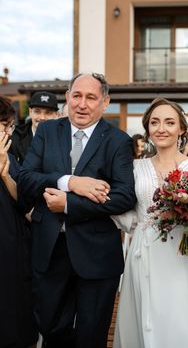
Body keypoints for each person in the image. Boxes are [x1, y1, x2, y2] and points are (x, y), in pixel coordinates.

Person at [17, 73, 136, 348]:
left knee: (91, 335)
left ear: (105, 102)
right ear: (68, 97)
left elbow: (123, 196)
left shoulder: (118, 141)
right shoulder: (47, 132)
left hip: (96, 256)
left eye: (91, 97)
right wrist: (71, 182)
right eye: (77, 96)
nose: (82, 104)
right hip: (49, 251)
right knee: (50, 329)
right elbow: (26, 178)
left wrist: (69, 203)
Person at [112, 97, 188, 348]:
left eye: (169, 122)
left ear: (181, 129)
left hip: (182, 254)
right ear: (147, 129)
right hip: (143, 252)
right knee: (146, 316)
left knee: (179, 317)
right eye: (154, 122)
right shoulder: (135, 168)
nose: (161, 128)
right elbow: (129, 214)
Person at [0, 96, 38, 348]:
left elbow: (28, 208)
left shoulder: (12, 160)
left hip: (13, 256)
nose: (6, 132)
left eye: (9, 126)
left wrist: (4, 175)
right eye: (2, 125)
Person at [10, 91, 59, 164]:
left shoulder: (65, 136)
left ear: (57, 114)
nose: (42, 117)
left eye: (48, 112)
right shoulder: (15, 135)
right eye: (37, 111)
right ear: (30, 112)